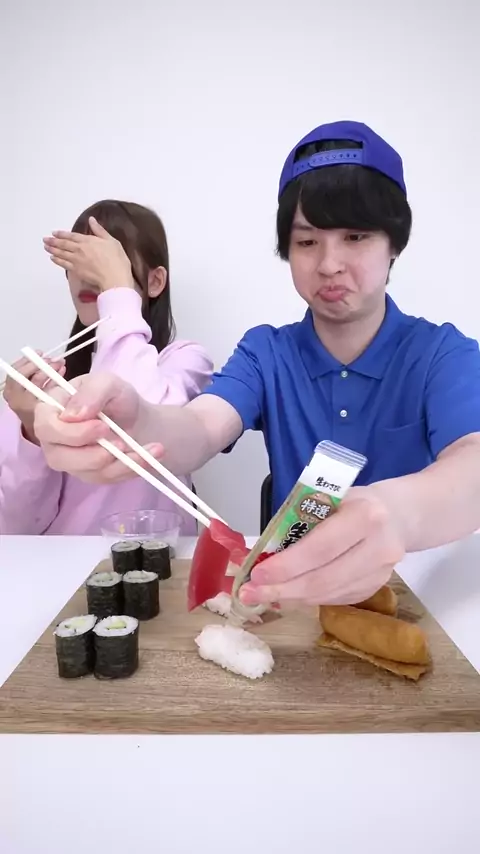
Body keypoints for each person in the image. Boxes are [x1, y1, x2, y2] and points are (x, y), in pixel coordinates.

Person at [32, 122, 480, 606]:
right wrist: (136, 417)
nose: (329, 264)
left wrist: (398, 515)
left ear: (394, 244)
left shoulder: (443, 353)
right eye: (307, 242)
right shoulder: (267, 352)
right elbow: (199, 428)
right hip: (290, 600)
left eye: (355, 236)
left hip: (418, 596)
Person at [0, 199, 213, 534]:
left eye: (107, 261)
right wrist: (30, 429)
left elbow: (140, 427)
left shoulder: (184, 361)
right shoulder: (42, 382)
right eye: (78, 260)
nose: (87, 276)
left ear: (155, 281)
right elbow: (16, 528)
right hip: (62, 564)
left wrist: (118, 290)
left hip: (156, 558)